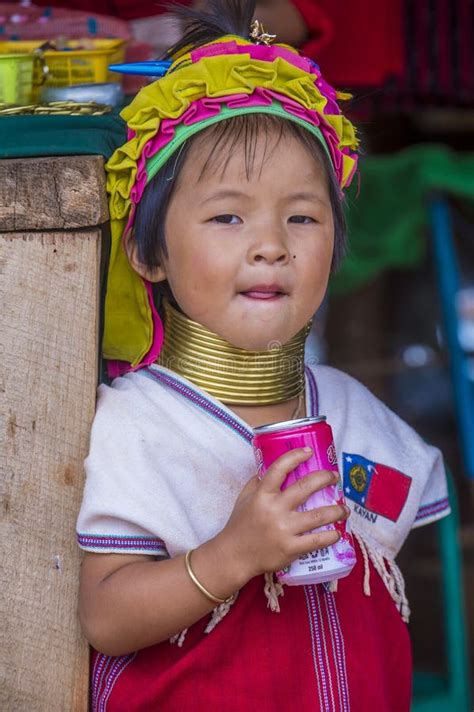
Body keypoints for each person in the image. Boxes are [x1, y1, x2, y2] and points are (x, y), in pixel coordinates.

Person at [76, 1, 450, 709]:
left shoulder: (349, 411)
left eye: (302, 217)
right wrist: (235, 553)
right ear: (148, 251)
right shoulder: (140, 427)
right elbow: (105, 618)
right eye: (227, 216)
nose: (271, 244)